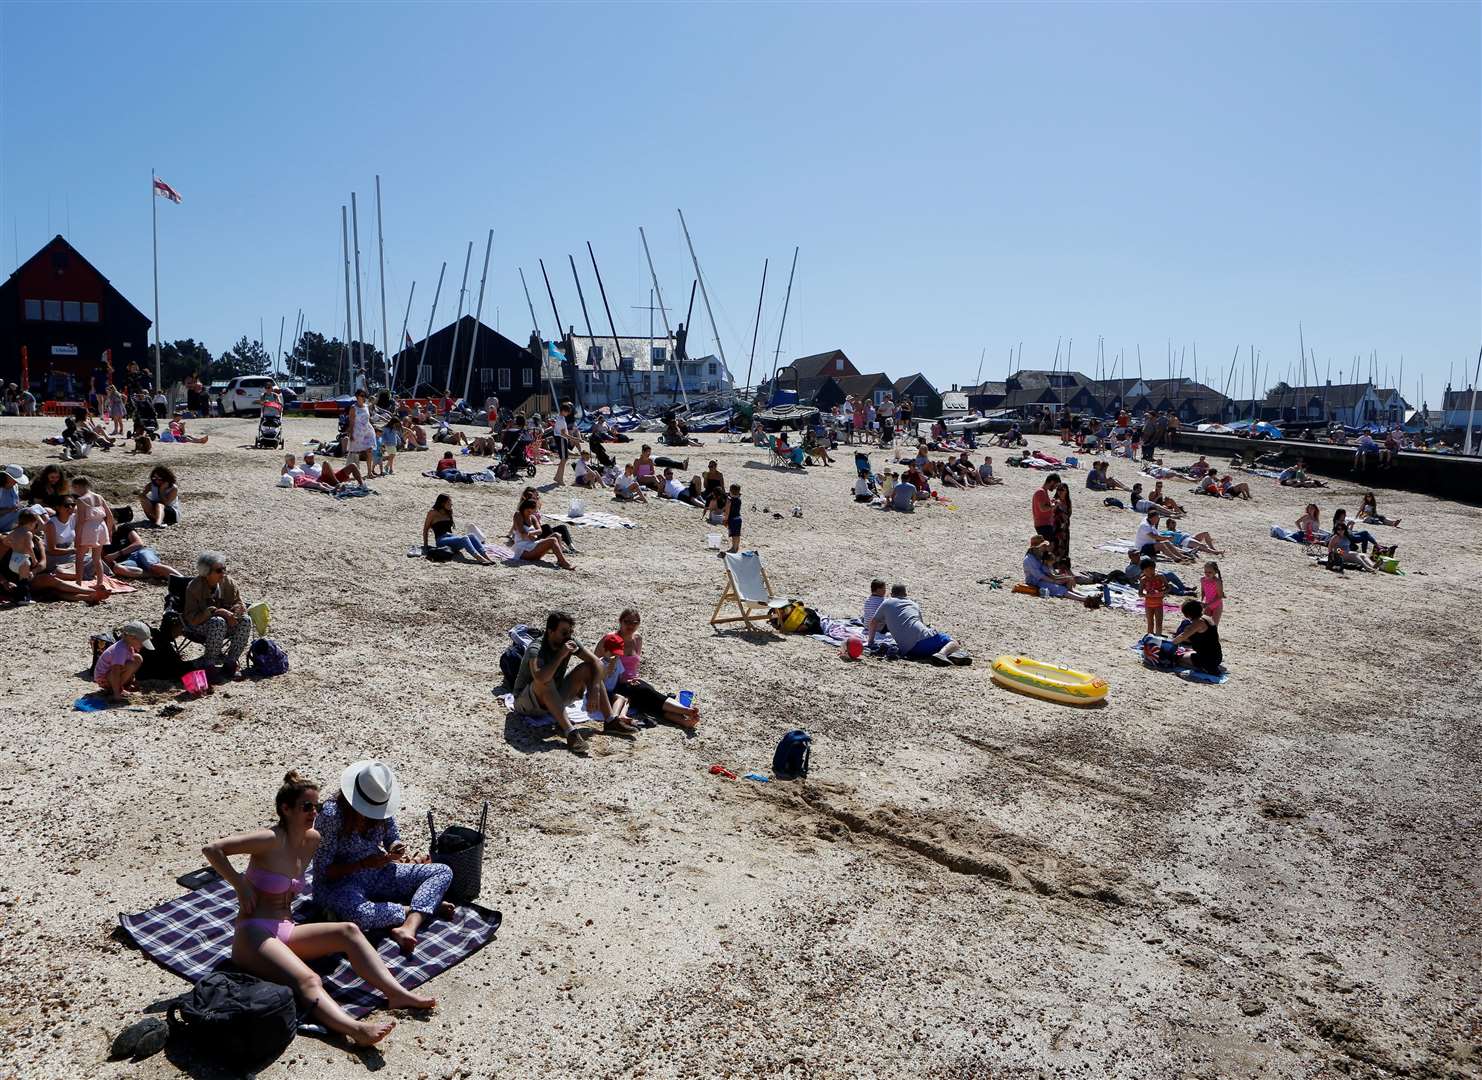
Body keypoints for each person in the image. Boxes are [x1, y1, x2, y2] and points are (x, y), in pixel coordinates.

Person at [202, 771, 432, 1047]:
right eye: (306, 807)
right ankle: (355, 1029)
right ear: (285, 809)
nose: (314, 812)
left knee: (349, 930)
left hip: (286, 930)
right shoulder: (269, 838)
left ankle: (396, 994)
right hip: (253, 935)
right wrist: (240, 884)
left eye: (316, 806)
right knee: (309, 979)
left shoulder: (312, 840)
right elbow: (212, 849)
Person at [311, 761, 455, 953]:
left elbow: (391, 836)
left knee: (442, 871)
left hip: (379, 872)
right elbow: (323, 870)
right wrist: (361, 864)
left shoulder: (380, 805)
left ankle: (409, 924)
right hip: (342, 883)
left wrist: (395, 847)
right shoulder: (332, 816)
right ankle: (421, 908)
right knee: (358, 915)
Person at [514, 611, 634, 754]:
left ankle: (610, 720)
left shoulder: (569, 642)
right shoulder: (536, 648)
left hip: (552, 698)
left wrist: (595, 687)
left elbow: (597, 662)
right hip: (526, 702)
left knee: (589, 668)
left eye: (570, 632)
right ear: (550, 631)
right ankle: (570, 732)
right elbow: (540, 678)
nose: (568, 637)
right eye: (564, 633)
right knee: (546, 680)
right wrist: (561, 655)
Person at [600, 609, 700, 729]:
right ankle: (686, 710)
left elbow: (635, 664)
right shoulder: (611, 639)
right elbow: (595, 662)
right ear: (620, 621)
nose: (631, 625)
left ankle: (682, 721)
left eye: (635, 622)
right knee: (647, 692)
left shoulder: (637, 639)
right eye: (627, 621)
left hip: (633, 681)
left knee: (648, 701)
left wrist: (634, 677)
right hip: (614, 683)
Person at [866, 582, 971, 666]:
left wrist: (870, 642)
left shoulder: (887, 602)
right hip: (922, 642)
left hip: (908, 650)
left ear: (892, 594)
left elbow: (873, 622)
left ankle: (950, 655)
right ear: (905, 594)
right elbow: (921, 625)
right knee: (954, 642)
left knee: (934, 643)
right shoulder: (914, 604)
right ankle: (942, 654)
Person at [182, 551, 253, 672]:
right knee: (217, 622)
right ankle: (209, 664)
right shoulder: (194, 588)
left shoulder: (228, 583)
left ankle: (231, 662)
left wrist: (236, 613)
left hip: (226, 623)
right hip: (199, 625)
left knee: (246, 620)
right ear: (206, 573)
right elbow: (192, 617)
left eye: (224, 569)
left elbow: (239, 603)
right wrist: (217, 612)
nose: (223, 573)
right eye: (219, 571)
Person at [423, 494, 495, 564]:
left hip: (451, 538)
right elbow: (426, 529)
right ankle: (478, 557)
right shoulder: (432, 513)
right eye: (449, 503)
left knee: (472, 536)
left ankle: (486, 557)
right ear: (442, 503)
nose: (451, 504)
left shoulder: (449, 512)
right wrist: (425, 546)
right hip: (441, 540)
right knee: (465, 538)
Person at [68, 476, 113, 589]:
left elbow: (81, 520)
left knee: (79, 556)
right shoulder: (99, 497)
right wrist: (109, 531)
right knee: (97, 558)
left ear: (78, 486)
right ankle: (100, 582)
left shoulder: (81, 500)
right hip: (101, 527)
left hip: (88, 528)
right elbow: (110, 516)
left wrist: (77, 537)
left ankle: (78, 583)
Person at [93, 619, 154, 701]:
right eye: (142, 642)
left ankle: (121, 686)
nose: (143, 646)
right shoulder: (121, 650)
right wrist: (116, 694)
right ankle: (116, 690)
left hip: (111, 675)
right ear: (132, 638)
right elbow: (115, 671)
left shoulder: (128, 646)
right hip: (104, 679)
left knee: (137, 658)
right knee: (130, 664)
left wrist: (132, 680)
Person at [512, 498, 575, 569]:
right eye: (529, 511)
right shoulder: (518, 515)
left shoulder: (532, 517)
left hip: (531, 545)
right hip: (522, 549)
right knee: (553, 540)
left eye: (533, 511)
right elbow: (522, 533)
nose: (531, 513)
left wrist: (531, 533)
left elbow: (540, 531)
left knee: (557, 535)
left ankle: (560, 560)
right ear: (526, 508)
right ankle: (564, 563)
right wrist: (531, 535)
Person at [1170, 600, 1223, 674]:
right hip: (1217, 656)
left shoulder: (1198, 622)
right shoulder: (1207, 618)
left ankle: (1204, 667)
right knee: (1187, 652)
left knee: (1177, 657)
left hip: (1208, 660)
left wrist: (1169, 643)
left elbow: (1182, 637)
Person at [346, 388, 378, 478]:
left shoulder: (366, 406)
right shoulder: (353, 408)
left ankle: (369, 472)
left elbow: (368, 419)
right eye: (362, 396)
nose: (364, 398)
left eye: (365, 396)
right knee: (355, 453)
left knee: (370, 450)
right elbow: (351, 422)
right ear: (357, 396)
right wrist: (351, 434)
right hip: (357, 432)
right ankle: (353, 471)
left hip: (368, 431)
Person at [1031, 474, 1061, 546]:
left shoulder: (1044, 492)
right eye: (1055, 485)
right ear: (1052, 482)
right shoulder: (1040, 492)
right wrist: (1054, 505)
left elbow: (1044, 506)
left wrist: (1051, 502)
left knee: (1049, 546)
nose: (1055, 488)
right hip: (1043, 524)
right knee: (1050, 546)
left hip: (1045, 524)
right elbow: (1043, 508)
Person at [1140, 557, 1167, 635]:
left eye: (1151, 569)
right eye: (1146, 571)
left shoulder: (1160, 576)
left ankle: (1158, 637)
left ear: (1154, 568)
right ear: (1143, 571)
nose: (1149, 572)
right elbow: (1140, 593)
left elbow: (1168, 587)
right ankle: (1150, 639)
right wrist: (1148, 595)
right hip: (1148, 604)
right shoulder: (1143, 580)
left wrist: (1162, 592)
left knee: (1159, 623)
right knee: (1150, 623)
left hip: (1158, 603)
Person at [0, 464, 28, 532]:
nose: (16, 482)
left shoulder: (15, 486)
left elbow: (16, 502)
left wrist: (19, 506)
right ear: (7, 477)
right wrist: (10, 510)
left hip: (12, 519)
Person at [724, 483, 743, 554]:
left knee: (733, 535)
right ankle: (736, 547)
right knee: (737, 535)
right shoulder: (739, 500)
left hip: (732, 519)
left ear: (730, 491)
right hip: (738, 518)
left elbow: (727, 511)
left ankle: (733, 548)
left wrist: (725, 520)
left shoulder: (729, 501)